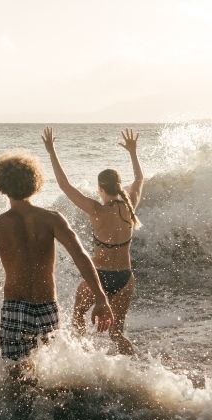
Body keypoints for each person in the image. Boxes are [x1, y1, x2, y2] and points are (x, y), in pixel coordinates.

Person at [0, 150, 113, 368]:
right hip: (47, 308)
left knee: (14, 375)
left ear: (1, 184)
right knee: (48, 372)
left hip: (15, 309)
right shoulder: (52, 219)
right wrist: (101, 298)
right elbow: (81, 258)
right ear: (35, 181)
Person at [42, 127, 144, 355]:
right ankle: (139, 367)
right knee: (116, 334)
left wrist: (51, 152)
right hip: (125, 277)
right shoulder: (131, 205)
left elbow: (65, 186)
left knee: (78, 318)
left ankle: (83, 363)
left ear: (100, 188)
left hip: (99, 276)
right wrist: (133, 152)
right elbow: (139, 178)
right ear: (118, 185)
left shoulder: (96, 209)